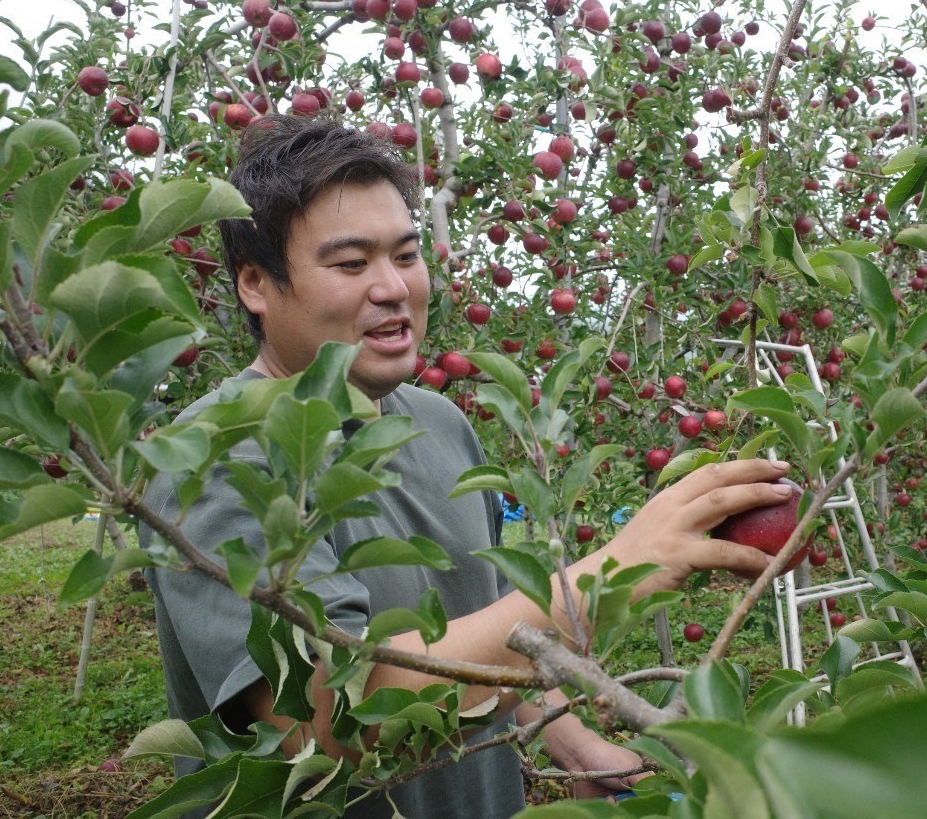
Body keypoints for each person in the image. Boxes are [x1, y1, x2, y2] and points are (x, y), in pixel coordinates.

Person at [139, 114, 792, 817]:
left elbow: (488, 629)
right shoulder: (213, 455)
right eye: (351, 264)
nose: (392, 288)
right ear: (256, 284)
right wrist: (609, 575)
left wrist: (569, 739)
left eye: (406, 254)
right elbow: (327, 723)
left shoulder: (438, 422)